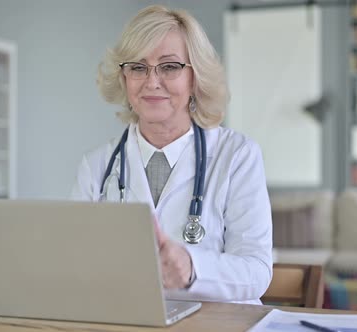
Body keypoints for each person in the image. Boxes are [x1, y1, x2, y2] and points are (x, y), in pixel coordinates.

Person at [71, 5, 272, 304]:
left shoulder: (238, 156)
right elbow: (75, 265)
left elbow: (257, 272)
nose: (152, 82)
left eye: (169, 66)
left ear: (195, 78)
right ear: (124, 79)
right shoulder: (97, 166)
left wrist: (194, 268)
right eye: (138, 67)